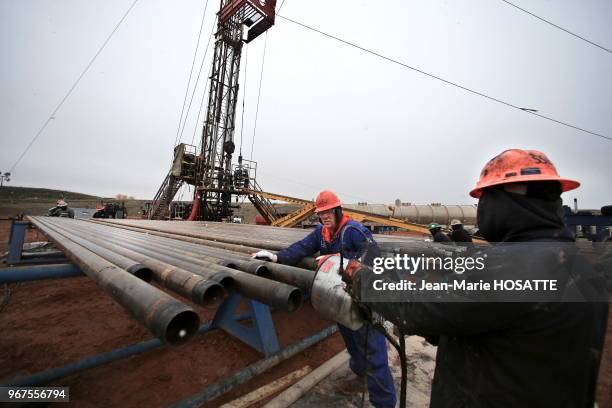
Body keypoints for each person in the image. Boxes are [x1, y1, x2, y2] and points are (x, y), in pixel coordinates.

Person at [348, 149, 609, 407]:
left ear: (505, 202)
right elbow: (490, 323)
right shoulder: (577, 265)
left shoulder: (511, 266)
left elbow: (417, 309)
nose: (481, 209)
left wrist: (362, 279)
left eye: (483, 199)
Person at [253, 190, 397, 408]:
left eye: (329, 212)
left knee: (374, 354)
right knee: (350, 340)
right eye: (321, 214)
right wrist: (276, 257)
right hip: (340, 299)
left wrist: (338, 260)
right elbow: (301, 248)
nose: (325, 217)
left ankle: (384, 403)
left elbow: (375, 262)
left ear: (338, 210)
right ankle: (360, 373)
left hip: (365, 302)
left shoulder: (354, 231)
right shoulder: (321, 232)